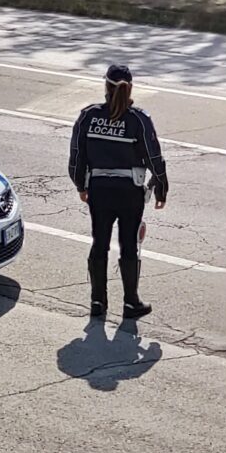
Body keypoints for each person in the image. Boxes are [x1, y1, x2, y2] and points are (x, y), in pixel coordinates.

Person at [69, 65, 168, 319]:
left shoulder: (88, 116)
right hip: (130, 192)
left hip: (99, 190)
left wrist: (81, 185)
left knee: (99, 243)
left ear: (105, 86)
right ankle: (131, 302)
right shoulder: (139, 119)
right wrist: (161, 187)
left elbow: (77, 157)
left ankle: (97, 302)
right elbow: (153, 156)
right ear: (131, 87)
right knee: (128, 246)